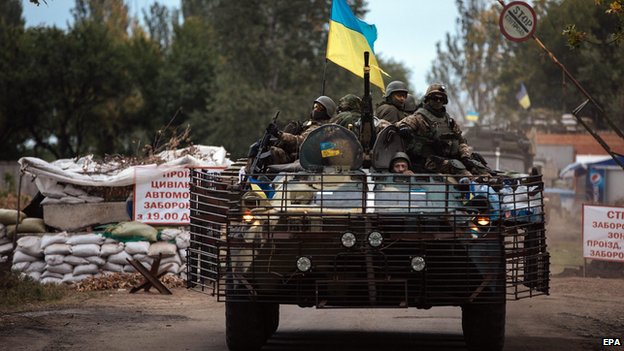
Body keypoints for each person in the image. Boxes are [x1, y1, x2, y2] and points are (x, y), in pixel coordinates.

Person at [397, 83, 485, 176]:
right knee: (459, 168)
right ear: (428, 100)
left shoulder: (449, 120)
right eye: (435, 98)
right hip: (428, 162)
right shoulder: (418, 117)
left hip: (449, 158)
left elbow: (460, 140)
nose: (438, 101)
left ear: (444, 101)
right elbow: (399, 125)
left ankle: (490, 183)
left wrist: (465, 157)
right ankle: (471, 184)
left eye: (441, 99)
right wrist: (404, 128)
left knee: (477, 165)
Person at [266, 95, 336, 165]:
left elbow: (301, 141)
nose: (315, 110)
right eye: (315, 106)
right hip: (296, 156)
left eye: (320, 108)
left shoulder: (320, 129)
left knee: (273, 152)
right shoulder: (308, 124)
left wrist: (279, 134)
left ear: (327, 112)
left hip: (303, 160)